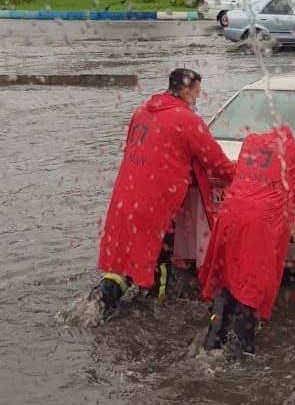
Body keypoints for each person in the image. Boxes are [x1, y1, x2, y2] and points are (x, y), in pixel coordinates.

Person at [92, 68, 236, 319]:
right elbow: (218, 164)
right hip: (157, 201)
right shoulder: (188, 121)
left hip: (125, 194)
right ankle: (154, 309)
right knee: (159, 254)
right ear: (186, 90)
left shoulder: (142, 111)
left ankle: (101, 301)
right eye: (196, 93)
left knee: (127, 250)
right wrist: (245, 176)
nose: (197, 99)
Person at [198, 125, 295, 359]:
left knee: (228, 275)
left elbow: (241, 169)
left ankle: (213, 338)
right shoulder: (292, 149)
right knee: (252, 282)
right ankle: (240, 349)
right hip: (260, 223)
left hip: (229, 214)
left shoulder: (250, 141)